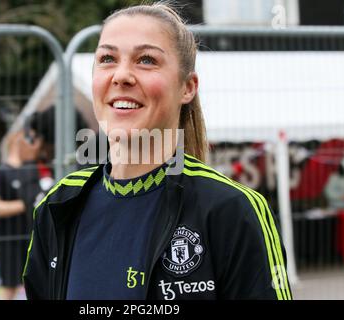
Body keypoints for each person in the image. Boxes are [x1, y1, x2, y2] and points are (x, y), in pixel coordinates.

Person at [23, 2, 292, 300]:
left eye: (146, 60)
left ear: (187, 88)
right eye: (108, 58)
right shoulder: (58, 206)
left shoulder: (232, 209)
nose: (121, 75)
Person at [0, 130, 42, 300]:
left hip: (31, 239)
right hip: (8, 240)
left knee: (38, 286)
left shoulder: (31, 170)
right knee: (9, 289)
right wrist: (26, 205)